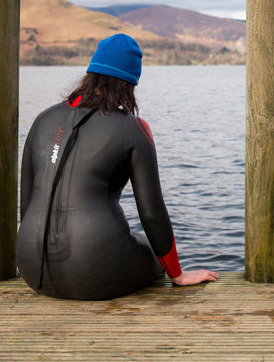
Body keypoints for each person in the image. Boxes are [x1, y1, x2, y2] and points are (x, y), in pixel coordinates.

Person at [16, 34, 219, 299]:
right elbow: (152, 212)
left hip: (33, 267)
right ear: (131, 82)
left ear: (91, 72)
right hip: (98, 270)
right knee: (146, 245)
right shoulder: (134, 128)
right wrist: (177, 274)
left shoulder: (42, 119)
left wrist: (36, 256)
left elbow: (28, 203)